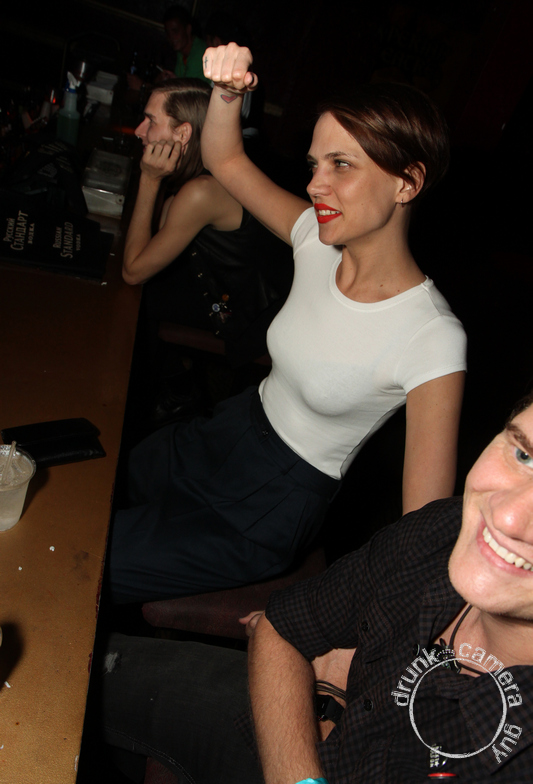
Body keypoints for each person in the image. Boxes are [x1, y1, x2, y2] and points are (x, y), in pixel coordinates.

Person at [107, 45, 466, 605]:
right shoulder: (316, 241)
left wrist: (336, 624)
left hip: (267, 505)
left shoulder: (432, 336)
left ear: (408, 182)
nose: (317, 184)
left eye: (341, 164)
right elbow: (226, 160)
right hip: (229, 429)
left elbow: (421, 530)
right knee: (101, 483)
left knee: (94, 560)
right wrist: (227, 91)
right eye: (315, 165)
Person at [100, 389, 533, 782]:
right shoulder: (442, 531)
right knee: (80, 668)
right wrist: (318, 725)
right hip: (296, 727)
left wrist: (329, 665)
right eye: (524, 455)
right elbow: (281, 627)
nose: (507, 517)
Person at [122, 77, 290, 380]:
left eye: (150, 121)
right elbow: (153, 237)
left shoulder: (201, 192)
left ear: (183, 133)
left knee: (139, 301)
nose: (139, 130)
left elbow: (133, 270)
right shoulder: (197, 174)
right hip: (225, 294)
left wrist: (149, 179)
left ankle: (159, 387)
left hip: (248, 319)